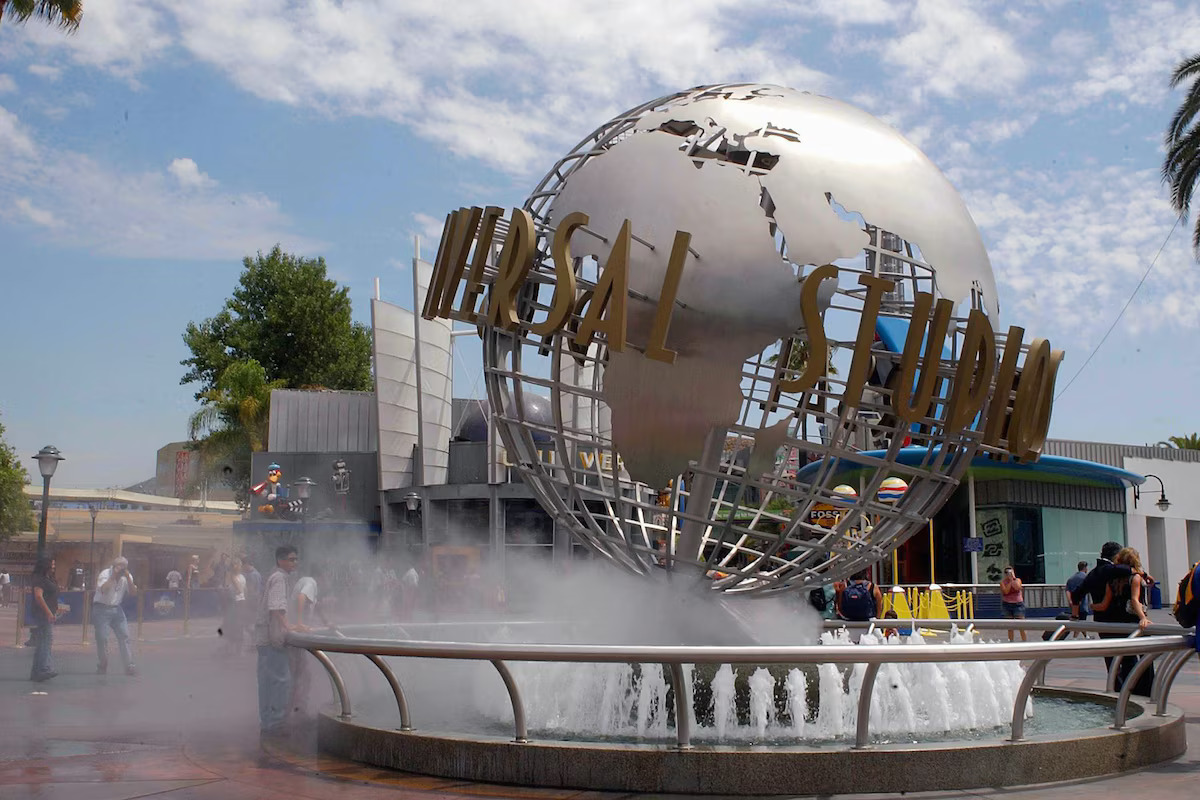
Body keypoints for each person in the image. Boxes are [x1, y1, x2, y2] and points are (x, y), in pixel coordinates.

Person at [256, 545, 305, 735]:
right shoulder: (280, 578)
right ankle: (274, 724)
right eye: (291, 559)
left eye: (296, 559)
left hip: (264, 638)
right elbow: (276, 607)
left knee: (267, 681)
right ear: (280, 560)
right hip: (272, 639)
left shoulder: (275, 576)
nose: (295, 563)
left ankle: (267, 722)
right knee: (279, 679)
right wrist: (289, 626)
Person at [1092, 546, 1155, 696]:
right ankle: (1145, 690)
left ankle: (1124, 691)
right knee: (1145, 655)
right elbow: (1134, 600)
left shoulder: (1112, 580)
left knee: (1124, 659)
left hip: (1119, 623)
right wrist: (1143, 618)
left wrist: (1091, 606)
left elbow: (1105, 604)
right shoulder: (1136, 578)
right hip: (1133, 621)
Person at [1070, 541, 1135, 676]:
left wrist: (1075, 616)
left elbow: (1076, 595)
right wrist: (1144, 575)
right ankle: (1129, 692)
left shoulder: (1093, 574)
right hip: (1120, 620)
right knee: (1129, 659)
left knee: (1111, 661)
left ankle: (1116, 690)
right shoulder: (1114, 569)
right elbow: (1132, 570)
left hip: (1102, 622)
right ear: (1116, 556)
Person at [289, 563, 332, 717]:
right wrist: (300, 622)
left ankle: (295, 706)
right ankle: (297, 709)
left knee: (300, 673)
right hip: (297, 636)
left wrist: (327, 622)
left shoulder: (307, 582)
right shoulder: (311, 583)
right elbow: (302, 597)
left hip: (295, 634)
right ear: (322, 575)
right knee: (302, 675)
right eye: (327, 575)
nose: (328, 578)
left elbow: (316, 606)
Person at [93, 556, 138, 676]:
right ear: (113, 566)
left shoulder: (127, 576)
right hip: (101, 608)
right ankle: (103, 664)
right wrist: (113, 576)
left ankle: (129, 665)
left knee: (124, 636)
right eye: (119, 566)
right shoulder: (105, 574)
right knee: (102, 638)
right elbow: (103, 590)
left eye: (124, 567)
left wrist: (128, 578)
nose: (121, 569)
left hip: (117, 608)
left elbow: (133, 593)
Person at [29, 557, 60, 682]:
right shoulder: (40, 579)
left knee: (44, 641)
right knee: (45, 641)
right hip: (42, 614)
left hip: (48, 613)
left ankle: (37, 672)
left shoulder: (48, 578)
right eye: (52, 564)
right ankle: (43, 668)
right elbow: (38, 596)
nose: (53, 566)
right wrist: (48, 612)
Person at [220, 557, 247, 656]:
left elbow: (240, 590)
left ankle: (236, 646)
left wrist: (232, 582)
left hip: (237, 603)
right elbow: (243, 590)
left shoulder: (235, 577)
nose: (237, 567)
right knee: (234, 624)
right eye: (236, 565)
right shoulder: (239, 577)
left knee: (235, 624)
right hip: (237, 602)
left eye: (238, 565)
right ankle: (233, 645)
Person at [1000, 566, 1027, 642]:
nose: (1009, 574)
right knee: (1010, 626)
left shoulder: (1018, 580)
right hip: (1007, 604)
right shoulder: (1003, 582)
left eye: (1010, 572)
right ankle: (1011, 641)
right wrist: (1009, 582)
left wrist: (1013, 579)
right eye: (1007, 573)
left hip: (1018, 604)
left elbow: (1018, 588)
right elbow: (1006, 591)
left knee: (1021, 625)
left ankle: (1024, 641)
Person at [1066, 560, 1090, 637]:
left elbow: (1067, 591)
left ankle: (1086, 636)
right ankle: (1075, 638)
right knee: (1080, 622)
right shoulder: (1086, 578)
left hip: (1073, 605)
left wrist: (1070, 601)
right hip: (1082, 605)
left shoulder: (1071, 579)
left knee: (1079, 621)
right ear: (1085, 568)